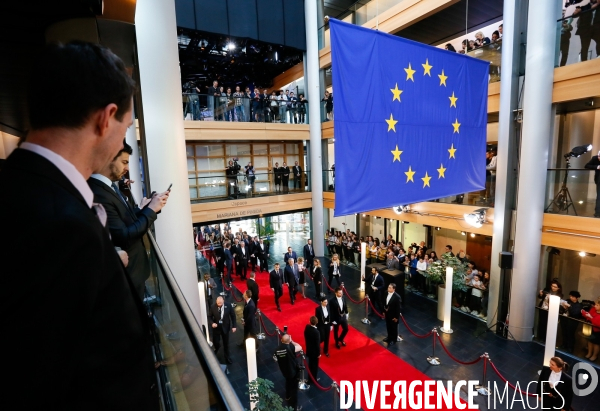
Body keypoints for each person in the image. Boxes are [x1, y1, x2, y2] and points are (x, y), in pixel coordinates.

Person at [0, 42, 158, 409]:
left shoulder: (19, 185)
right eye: (126, 127)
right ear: (107, 118)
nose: (123, 140)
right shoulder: (61, 226)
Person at [88, 141, 169, 299]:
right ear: (109, 158)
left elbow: (123, 219)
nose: (127, 168)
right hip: (128, 273)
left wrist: (143, 209)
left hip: (134, 272)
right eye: (124, 162)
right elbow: (123, 236)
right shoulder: (98, 192)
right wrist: (151, 210)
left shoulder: (109, 187)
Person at [274, 334, 303, 411]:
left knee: (287, 382)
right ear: (289, 341)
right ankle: (294, 407)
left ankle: (287, 396)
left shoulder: (277, 350)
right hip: (293, 371)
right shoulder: (290, 347)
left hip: (284, 370)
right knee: (294, 389)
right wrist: (292, 341)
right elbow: (300, 347)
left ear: (281, 340)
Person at [208, 296, 236, 364]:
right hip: (216, 328)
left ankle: (227, 357)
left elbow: (233, 316)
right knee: (216, 342)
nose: (219, 305)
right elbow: (209, 316)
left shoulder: (228, 305)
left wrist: (234, 326)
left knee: (226, 344)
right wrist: (212, 323)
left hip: (225, 328)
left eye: (220, 303)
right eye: (218, 303)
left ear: (223, 301)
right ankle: (217, 347)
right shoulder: (213, 307)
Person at [304, 316, 321, 381]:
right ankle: (314, 379)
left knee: (310, 365)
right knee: (314, 366)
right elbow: (317, 344)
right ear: (317, 322)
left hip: (309, 350)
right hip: (314, 352)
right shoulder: (316, 332)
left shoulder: (307, 327)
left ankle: (309, 378)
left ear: (310, 321)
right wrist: (318, 353)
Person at [585, 150, 600, 217]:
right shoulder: (595, 158)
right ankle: (598, 213)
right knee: (599, 196)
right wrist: (597, 167)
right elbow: (586, 165)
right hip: (599, 179)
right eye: (599, 156)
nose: (599, 158)